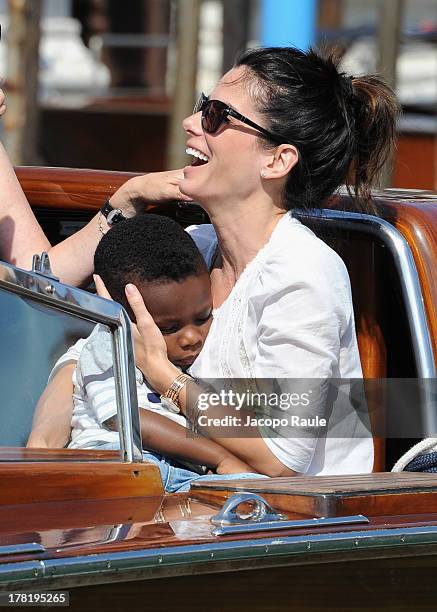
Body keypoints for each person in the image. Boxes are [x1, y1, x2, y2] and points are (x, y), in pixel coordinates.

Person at [23, 46, 399, 477]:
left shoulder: (304, 273)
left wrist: (166, 379)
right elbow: (82, 345)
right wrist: (42, 447)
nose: (190, 122)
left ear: (277, 160)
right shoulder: (193, 247)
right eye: (204, 106)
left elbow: (283, 458)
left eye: (216, 116)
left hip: (281, 525)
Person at [47, 214, 253, 491]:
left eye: (203, 317)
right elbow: (126, 417)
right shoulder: (110, 341)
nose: (191, 337)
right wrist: (220, 457)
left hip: (177, 471)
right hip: (117, 462)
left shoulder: (202, 352)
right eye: (168, 328)